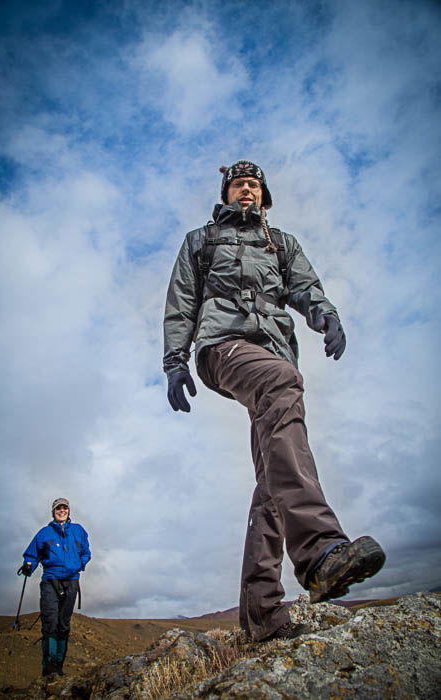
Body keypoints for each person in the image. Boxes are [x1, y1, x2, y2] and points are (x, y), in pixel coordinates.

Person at [163, 160, 385, 642]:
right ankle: (320, 550)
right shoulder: (200, 241)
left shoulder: (280, 243)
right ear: (226, 193)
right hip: (223, 345)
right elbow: (182, 302)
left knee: (270, 480)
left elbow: (305, 286)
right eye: (239, 184)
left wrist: (325, 314)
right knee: (283, 384)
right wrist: (174, 361)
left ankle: (262, 616)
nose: (247, 189)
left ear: (264, 196)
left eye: (255, 184)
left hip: (271, 348)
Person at [19, 498, 91, 676]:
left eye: (64, 508)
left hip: (72, 581)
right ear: (53, 511)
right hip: (50, 580)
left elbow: (86, 552)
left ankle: (59, 666)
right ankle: (49, 667)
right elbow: (32, 554)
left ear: (68, 511)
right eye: (58, 508)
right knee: (50, 622)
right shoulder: (44, 533)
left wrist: (79, 564)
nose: (62, 510)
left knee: (63, 624)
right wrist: (28, 564)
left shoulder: (78, 530)